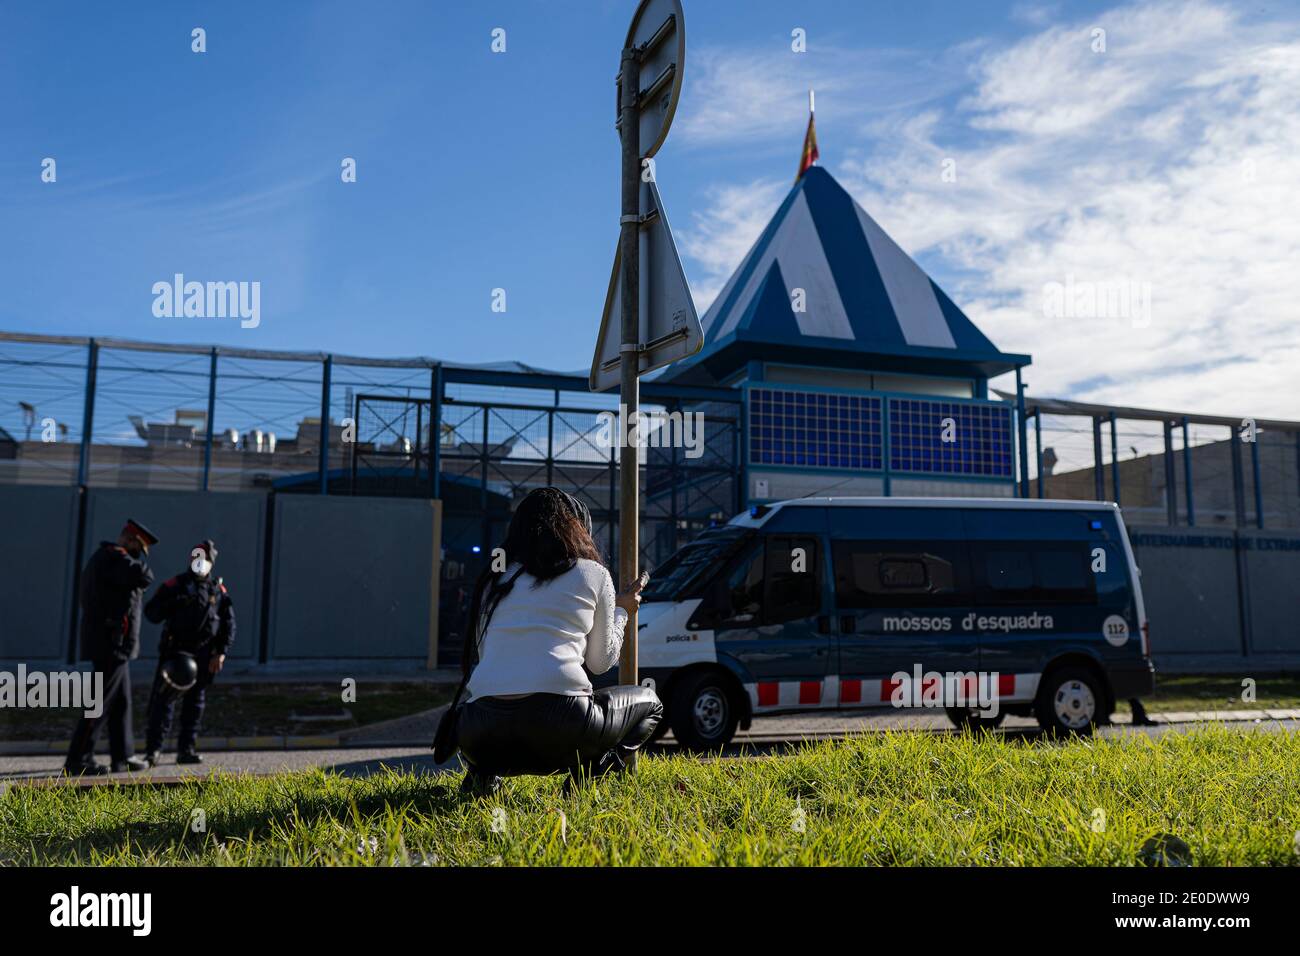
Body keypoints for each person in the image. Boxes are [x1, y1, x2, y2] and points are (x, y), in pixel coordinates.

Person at [455, 487, 663, 796]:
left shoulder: (493, 580)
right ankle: (583, 781)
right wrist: (622, 610)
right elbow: (601, 661)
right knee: (651, 704)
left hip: (479, 732)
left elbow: (486, 654)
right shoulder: (593, 573)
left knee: (488, 714)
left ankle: (485, 777)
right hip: (561, 730)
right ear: (578, 529)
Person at [64, 519, 157, 776]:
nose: (138, 554)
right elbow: (144, 575)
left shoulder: (110, 558)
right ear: (129, 540)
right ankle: (78, 759)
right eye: (138, 547)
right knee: (100, 701)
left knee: (121, 702)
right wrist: (135, 559)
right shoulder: (114, 558)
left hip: (115, 644)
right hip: (110, 644)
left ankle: (123, 755)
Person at [143, 539, 236, 766]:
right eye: (196, 557)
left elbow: (229, 624)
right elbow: (152, 613)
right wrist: (176, 603)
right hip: (175, 654)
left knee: (195, 706)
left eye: (204, 559)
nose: (200, 562)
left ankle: (186, 749)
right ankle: (153, 751)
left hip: (204, 655)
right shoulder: (175, 585)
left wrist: (221, 653)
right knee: (163, 704)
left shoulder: (218, 591)